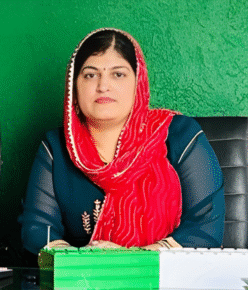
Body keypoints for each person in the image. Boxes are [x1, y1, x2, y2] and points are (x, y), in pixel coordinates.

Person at [20, 28, 225, 255]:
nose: (103, 86)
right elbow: (37, 229)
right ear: (74, 88)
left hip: (167, 275)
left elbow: (206, 228)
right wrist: (85, 262)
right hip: (87, 276)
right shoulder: (57, 148)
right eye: (90, 75)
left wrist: (130, 260)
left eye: (118, 74)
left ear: (139, 84)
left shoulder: (179, 135)